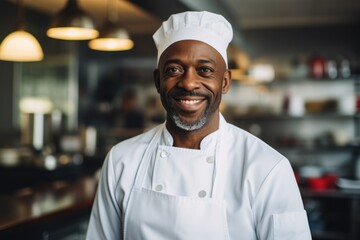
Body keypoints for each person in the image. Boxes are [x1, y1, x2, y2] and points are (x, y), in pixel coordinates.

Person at [86, 11, 311, 240]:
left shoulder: (267, 169)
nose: (189, 83)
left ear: (224, 82)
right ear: (158, 81)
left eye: (205, 70)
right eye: (174, 69)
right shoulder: (121, 161)